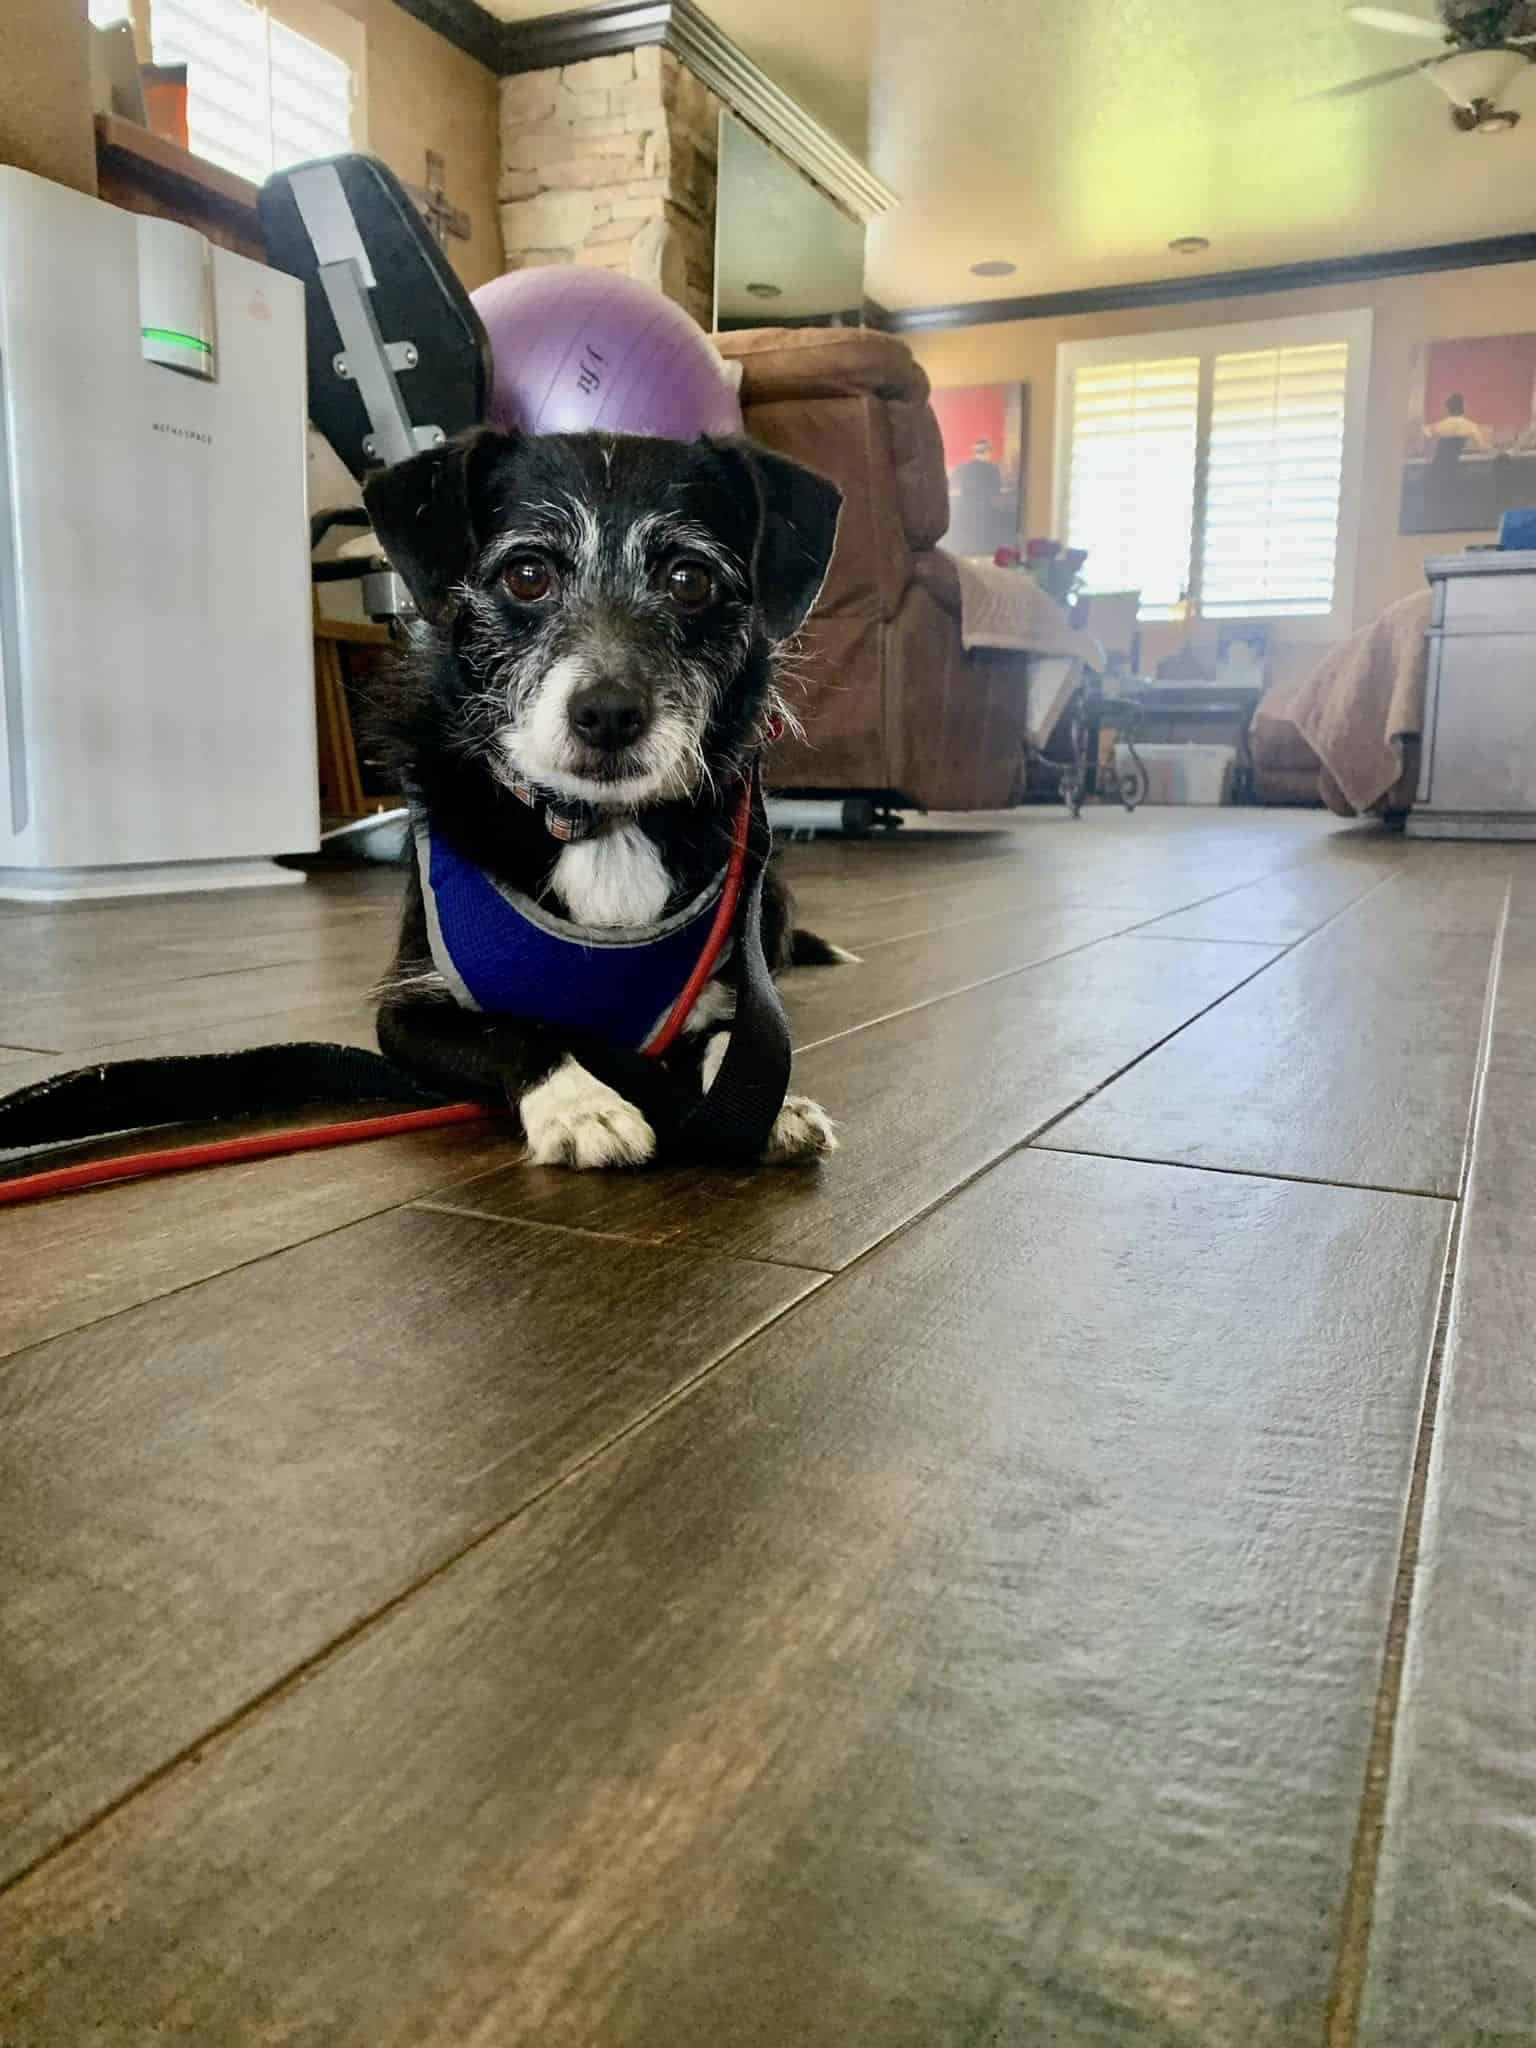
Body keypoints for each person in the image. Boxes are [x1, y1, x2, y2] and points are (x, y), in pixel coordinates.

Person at [946, 435, 1009, 556]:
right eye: (990, 452)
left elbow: (952, 482)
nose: (991, 454)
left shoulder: (964, 466)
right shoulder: (993, 468)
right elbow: (996, 490)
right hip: (985, 510)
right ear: (986, 452)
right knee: (983, 541)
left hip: (966, 509)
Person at [1425, 392, 1492, 455]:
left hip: (1438, 465)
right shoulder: (1471, 426)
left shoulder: (1437, 426)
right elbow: (1482, 447)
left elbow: (1427, 444)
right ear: (1463, 408)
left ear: (1447, 409)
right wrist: (1491, 447)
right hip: (1457, 464)